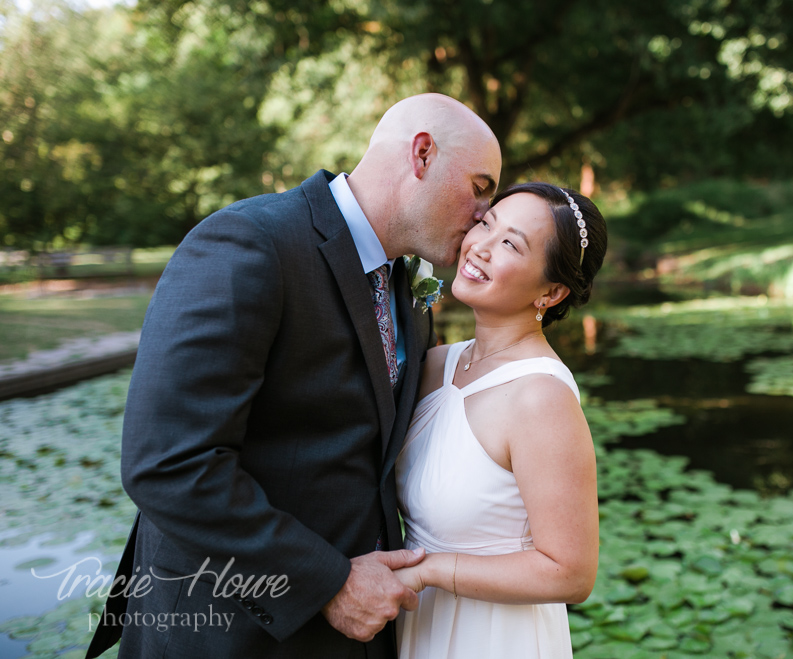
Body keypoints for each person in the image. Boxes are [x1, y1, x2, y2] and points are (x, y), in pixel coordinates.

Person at [85, 93, 502, 658]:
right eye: (480, 187)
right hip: (232, 632)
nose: (485, 214)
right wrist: (328, 582)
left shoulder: (409, 288)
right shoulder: (249, 243)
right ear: (422, 154)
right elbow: (168, 464)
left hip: (361, 633)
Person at [391, 182, 607, 658]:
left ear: (551, 292)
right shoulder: (436, 364)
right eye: (487, 224)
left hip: (492, 636)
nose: (481, 247)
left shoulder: (539, 397)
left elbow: (571, 572)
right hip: (416, 625)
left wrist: (431, 571)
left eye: (511, 243)